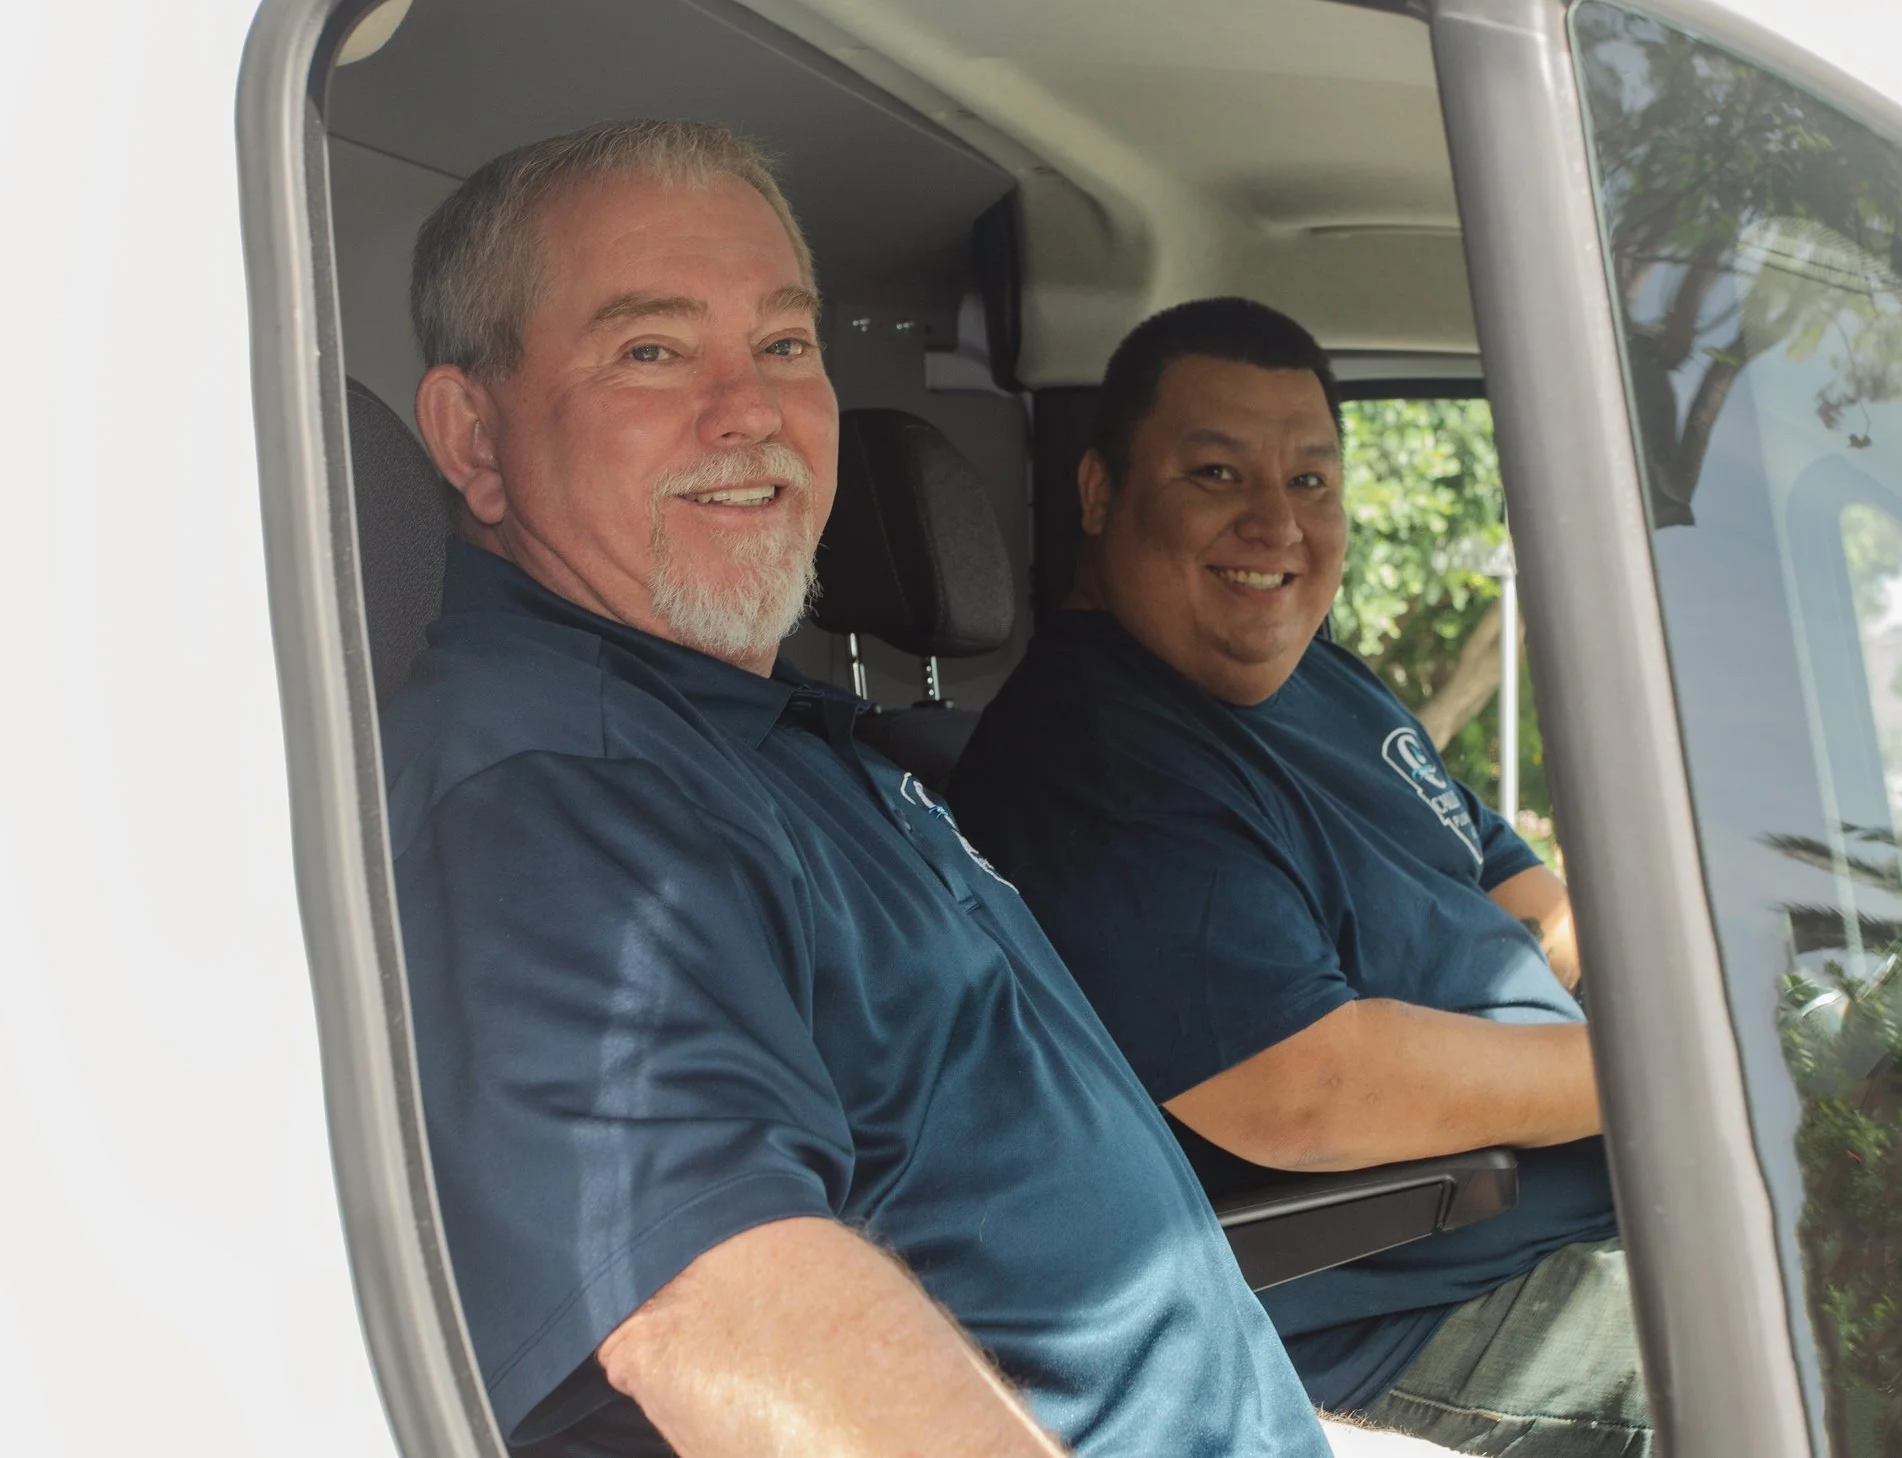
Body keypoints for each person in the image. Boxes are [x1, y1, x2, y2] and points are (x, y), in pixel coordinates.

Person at [384, 123, 1335, 1458]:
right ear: (473, 436)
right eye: (652, 350)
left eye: (784, 344)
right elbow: (732, 1323)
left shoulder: (769, 737)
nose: (751, 409)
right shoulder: (554, 793)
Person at [948, 299, 1658, 1457]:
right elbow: (1304, 1087)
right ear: (1099, 491)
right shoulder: (1092, 753)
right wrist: (1663, 1076)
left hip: (1595, 1214)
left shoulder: (1325, 679)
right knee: (1838, 1355)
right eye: (1217, 473)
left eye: (1311, 480)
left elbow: (1512, 889)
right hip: (1403, 1317)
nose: (1276, 522)